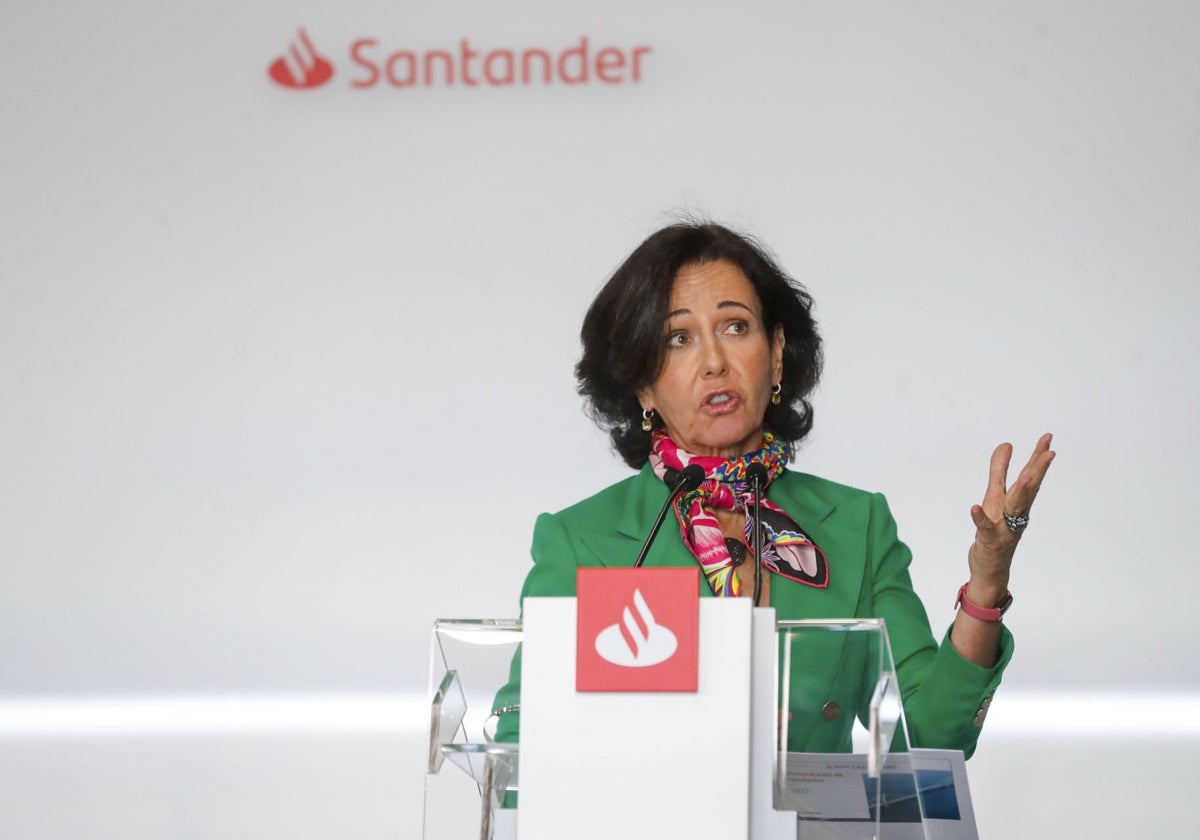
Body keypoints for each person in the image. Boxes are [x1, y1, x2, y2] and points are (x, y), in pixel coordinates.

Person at [491, 221, 1054, 756]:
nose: (714, 362)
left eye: (735, 327)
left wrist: (986, 585)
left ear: (777, 351)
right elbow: (521, 748)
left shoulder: (857, 525)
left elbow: (929, 736)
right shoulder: (581, 542)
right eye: (678, 338)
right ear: (642, 385)